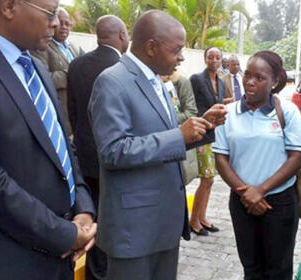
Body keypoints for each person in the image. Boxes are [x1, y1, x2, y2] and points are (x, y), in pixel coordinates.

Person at [0, 0, 97, 279]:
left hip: (61, 257)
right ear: (9, 7)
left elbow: (63, 150)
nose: (56, 22)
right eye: (50, 12)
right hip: (11, 261)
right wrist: (63, 234)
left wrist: (83, 209)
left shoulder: (37, 68)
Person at [88, 10, 227, 280]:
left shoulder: (158, 82)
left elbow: (161, 136)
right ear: (151, 47)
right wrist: (179, 136)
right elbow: (113, 151)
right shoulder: (112, 82)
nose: (182, 57)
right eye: (177, 49)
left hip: (163, 225)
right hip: (135, 230)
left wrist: (202, 126)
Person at [214, 50, 301, 279]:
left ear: (274, 82)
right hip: (241, 201)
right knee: (251, 267)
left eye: (259, 77)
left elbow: (297, 157)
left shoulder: (288, 111)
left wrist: (261, 190)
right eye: (248, 75)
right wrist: (247, 193)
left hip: (279, 202)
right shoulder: (228, 113)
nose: (250, 82)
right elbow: (221, 159)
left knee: (279, 269)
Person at [67, 15, 129, 280]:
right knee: (113, 222)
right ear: (122, 36)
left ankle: (94, 273)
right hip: (115, 160)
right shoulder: (125, 70)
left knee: (90, 218)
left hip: (84, 160)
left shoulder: (76, 65)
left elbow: (72, 112)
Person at [189, 46, 231, 235]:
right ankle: (194, 221)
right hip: (201, 135)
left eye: (217, 57)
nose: (214, 60)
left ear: (222, 60)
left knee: (210, 180)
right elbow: (192, 106)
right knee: (206, 179)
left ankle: (202, 218)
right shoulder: (197, 79)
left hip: (216, 135)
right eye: (210, 57)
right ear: (205, 59)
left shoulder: (221, 82)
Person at [33, 7, 84, 136]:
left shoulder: (74, 47)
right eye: (61, 23)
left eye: (67, 24)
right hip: (61, 112)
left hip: (78, 109)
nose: (64, 27)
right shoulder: (42, 47)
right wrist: (71, 73)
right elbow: (43, 78)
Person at [160, 71, 199, 185]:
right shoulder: (148, 82)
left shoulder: (180, 82)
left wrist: (164, 119)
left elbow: (191, 112)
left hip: (177, 140)